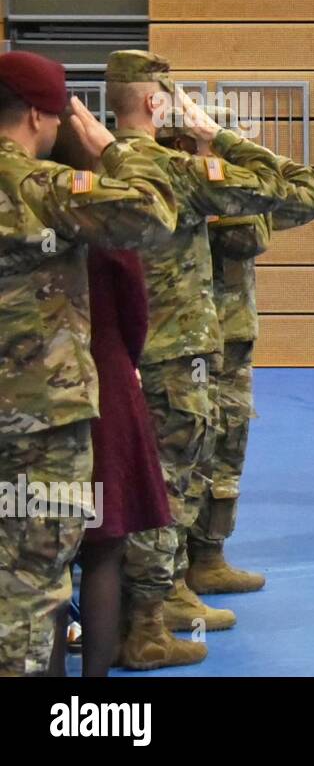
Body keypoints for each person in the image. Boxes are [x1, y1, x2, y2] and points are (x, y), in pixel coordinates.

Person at [104, 50, 314, 669]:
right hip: (180, 346)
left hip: (130, 347)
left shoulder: (97, 162)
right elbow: (300, 194)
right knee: (170, 475)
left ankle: (178, 578)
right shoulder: (177, 170)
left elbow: (250, 230)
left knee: (167, 470)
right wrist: (216, 139)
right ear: (156, 103)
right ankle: (153, 607)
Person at [0, 50, 177, 677]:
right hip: (43, 425)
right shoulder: (46, 191)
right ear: (38, 116)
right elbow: (155, 217)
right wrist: (114, 150)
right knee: (38, 583)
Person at [184, 107, 314, 595]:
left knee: (228, 446)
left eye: (235, 136)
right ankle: (168, 569)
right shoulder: (177, 182)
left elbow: (310, 194)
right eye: (220, 136)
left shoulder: (247, 188)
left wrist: (232, 149)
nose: (229, 143)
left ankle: (208, 555)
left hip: (232, 339)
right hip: (181, 344)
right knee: (184, 452)